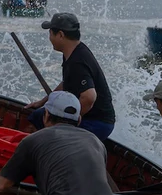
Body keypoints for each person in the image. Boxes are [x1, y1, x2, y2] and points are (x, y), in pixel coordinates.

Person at [26, 13, 116, 141]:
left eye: (51, 33)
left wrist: (71, 121)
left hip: (97, 122)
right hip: (90, 117)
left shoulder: (77, 61)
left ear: (61, 35)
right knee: (38, 115)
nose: (49, 38)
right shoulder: (73, 51)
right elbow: (67, 82)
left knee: (50, 130)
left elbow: (89, 97)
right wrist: (43, 102)